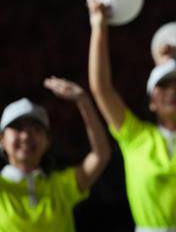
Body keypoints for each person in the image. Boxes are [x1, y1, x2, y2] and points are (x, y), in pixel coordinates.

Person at [88, 0, 176, 232]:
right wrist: (99, 25)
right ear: (151, 101)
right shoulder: (135, 135)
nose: (173, 93)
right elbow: (101, 88)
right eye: (164, 87)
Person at [0, 77, 111, 231]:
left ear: (47, 142)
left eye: (36, 129)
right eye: (18, 128)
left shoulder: (60, 187)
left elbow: (101, 155)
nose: (26, 136)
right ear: (2, 140)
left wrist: (83, 101)